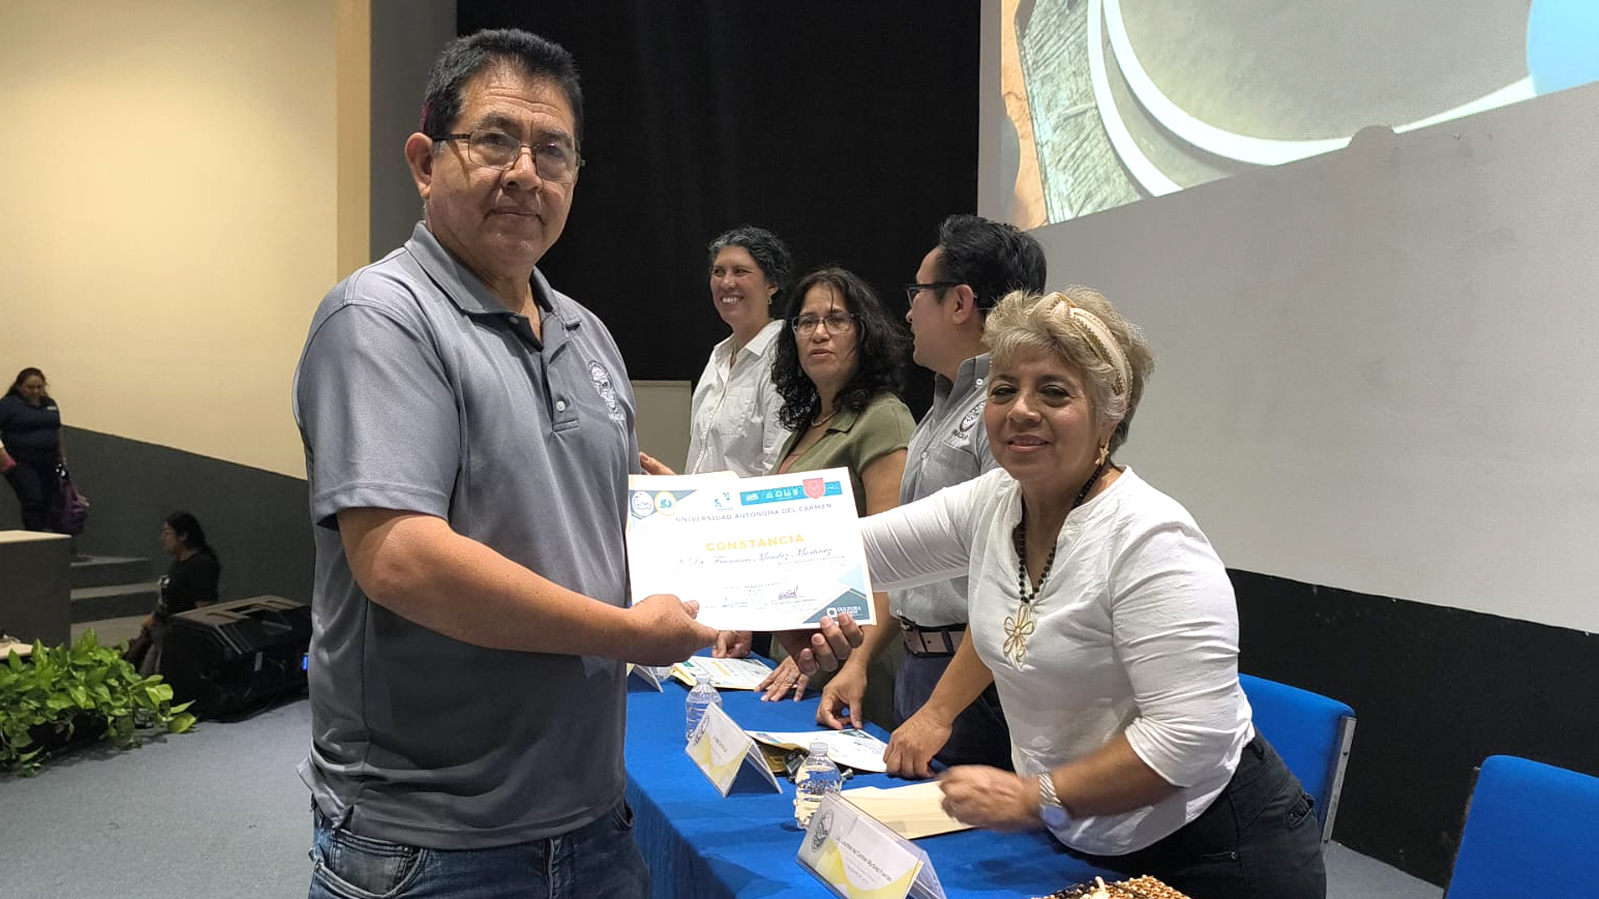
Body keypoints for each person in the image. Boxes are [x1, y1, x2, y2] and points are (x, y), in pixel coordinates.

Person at [292, 30, 854, 899]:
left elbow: (610, 528)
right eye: (495, 140)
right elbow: (400, 557)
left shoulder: (587, 333)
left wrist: (774, 597)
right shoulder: (381, 316)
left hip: (590, 817)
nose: (526, 172)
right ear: (425, 162)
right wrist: (625, 633)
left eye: (552, 150)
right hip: (430, 841)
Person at [863, 289, 1326, 898]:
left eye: (1054, 392)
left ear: (1110, 415)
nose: (1020, 409)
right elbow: (855, 553)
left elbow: (1189, 738)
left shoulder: (1152, 539)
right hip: (1083, 833)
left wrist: (1032, 795)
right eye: (1003, 389)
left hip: (1216, 850)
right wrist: (737, 550)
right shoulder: (993, 502)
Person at [812, 215, 1045, 770]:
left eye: (917, 293)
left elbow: (1011, 590)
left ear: (959, 303)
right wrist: (859, 661)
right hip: (920, 662)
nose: (909, 311)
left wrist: (940, 711)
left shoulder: (1007, 416)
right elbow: (911, 562)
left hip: (975, 683)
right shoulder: (940, 409)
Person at [752, 266, 915, 726]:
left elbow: (896, 564)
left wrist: (855, 664)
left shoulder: (883, 418)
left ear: (864, 333)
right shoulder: (809, 424)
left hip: (855, 661)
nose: (819, 333)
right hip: (797, 651)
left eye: (837, 319)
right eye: (806, 322)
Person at [656, 225, 794, 477]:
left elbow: (778, 474)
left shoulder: (784, 356)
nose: (726, 282)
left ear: (772, 284)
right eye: (718, 272)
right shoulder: (718, 356)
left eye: (740, 271)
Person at [127, 512, 221, 675]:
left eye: (167, 533)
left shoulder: (202, 565)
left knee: (161, 679)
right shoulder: (179, 562)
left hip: (178, 642)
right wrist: (153, 617)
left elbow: (204, 611)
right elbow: (169, 598)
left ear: (183, 536)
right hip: (161, 635)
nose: (162, 538)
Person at [0, 368, 66, 532]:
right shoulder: (8, 404)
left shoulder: (50, 404)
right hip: (20, 462)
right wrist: (3, 454)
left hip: (48, 461)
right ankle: (33, 537)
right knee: (33, 499)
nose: (35, 391)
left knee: (49, 501)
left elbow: (57, 430)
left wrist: (62, 458)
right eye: (30, 387)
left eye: (39, 387)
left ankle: (42, 534)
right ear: (19, 386)